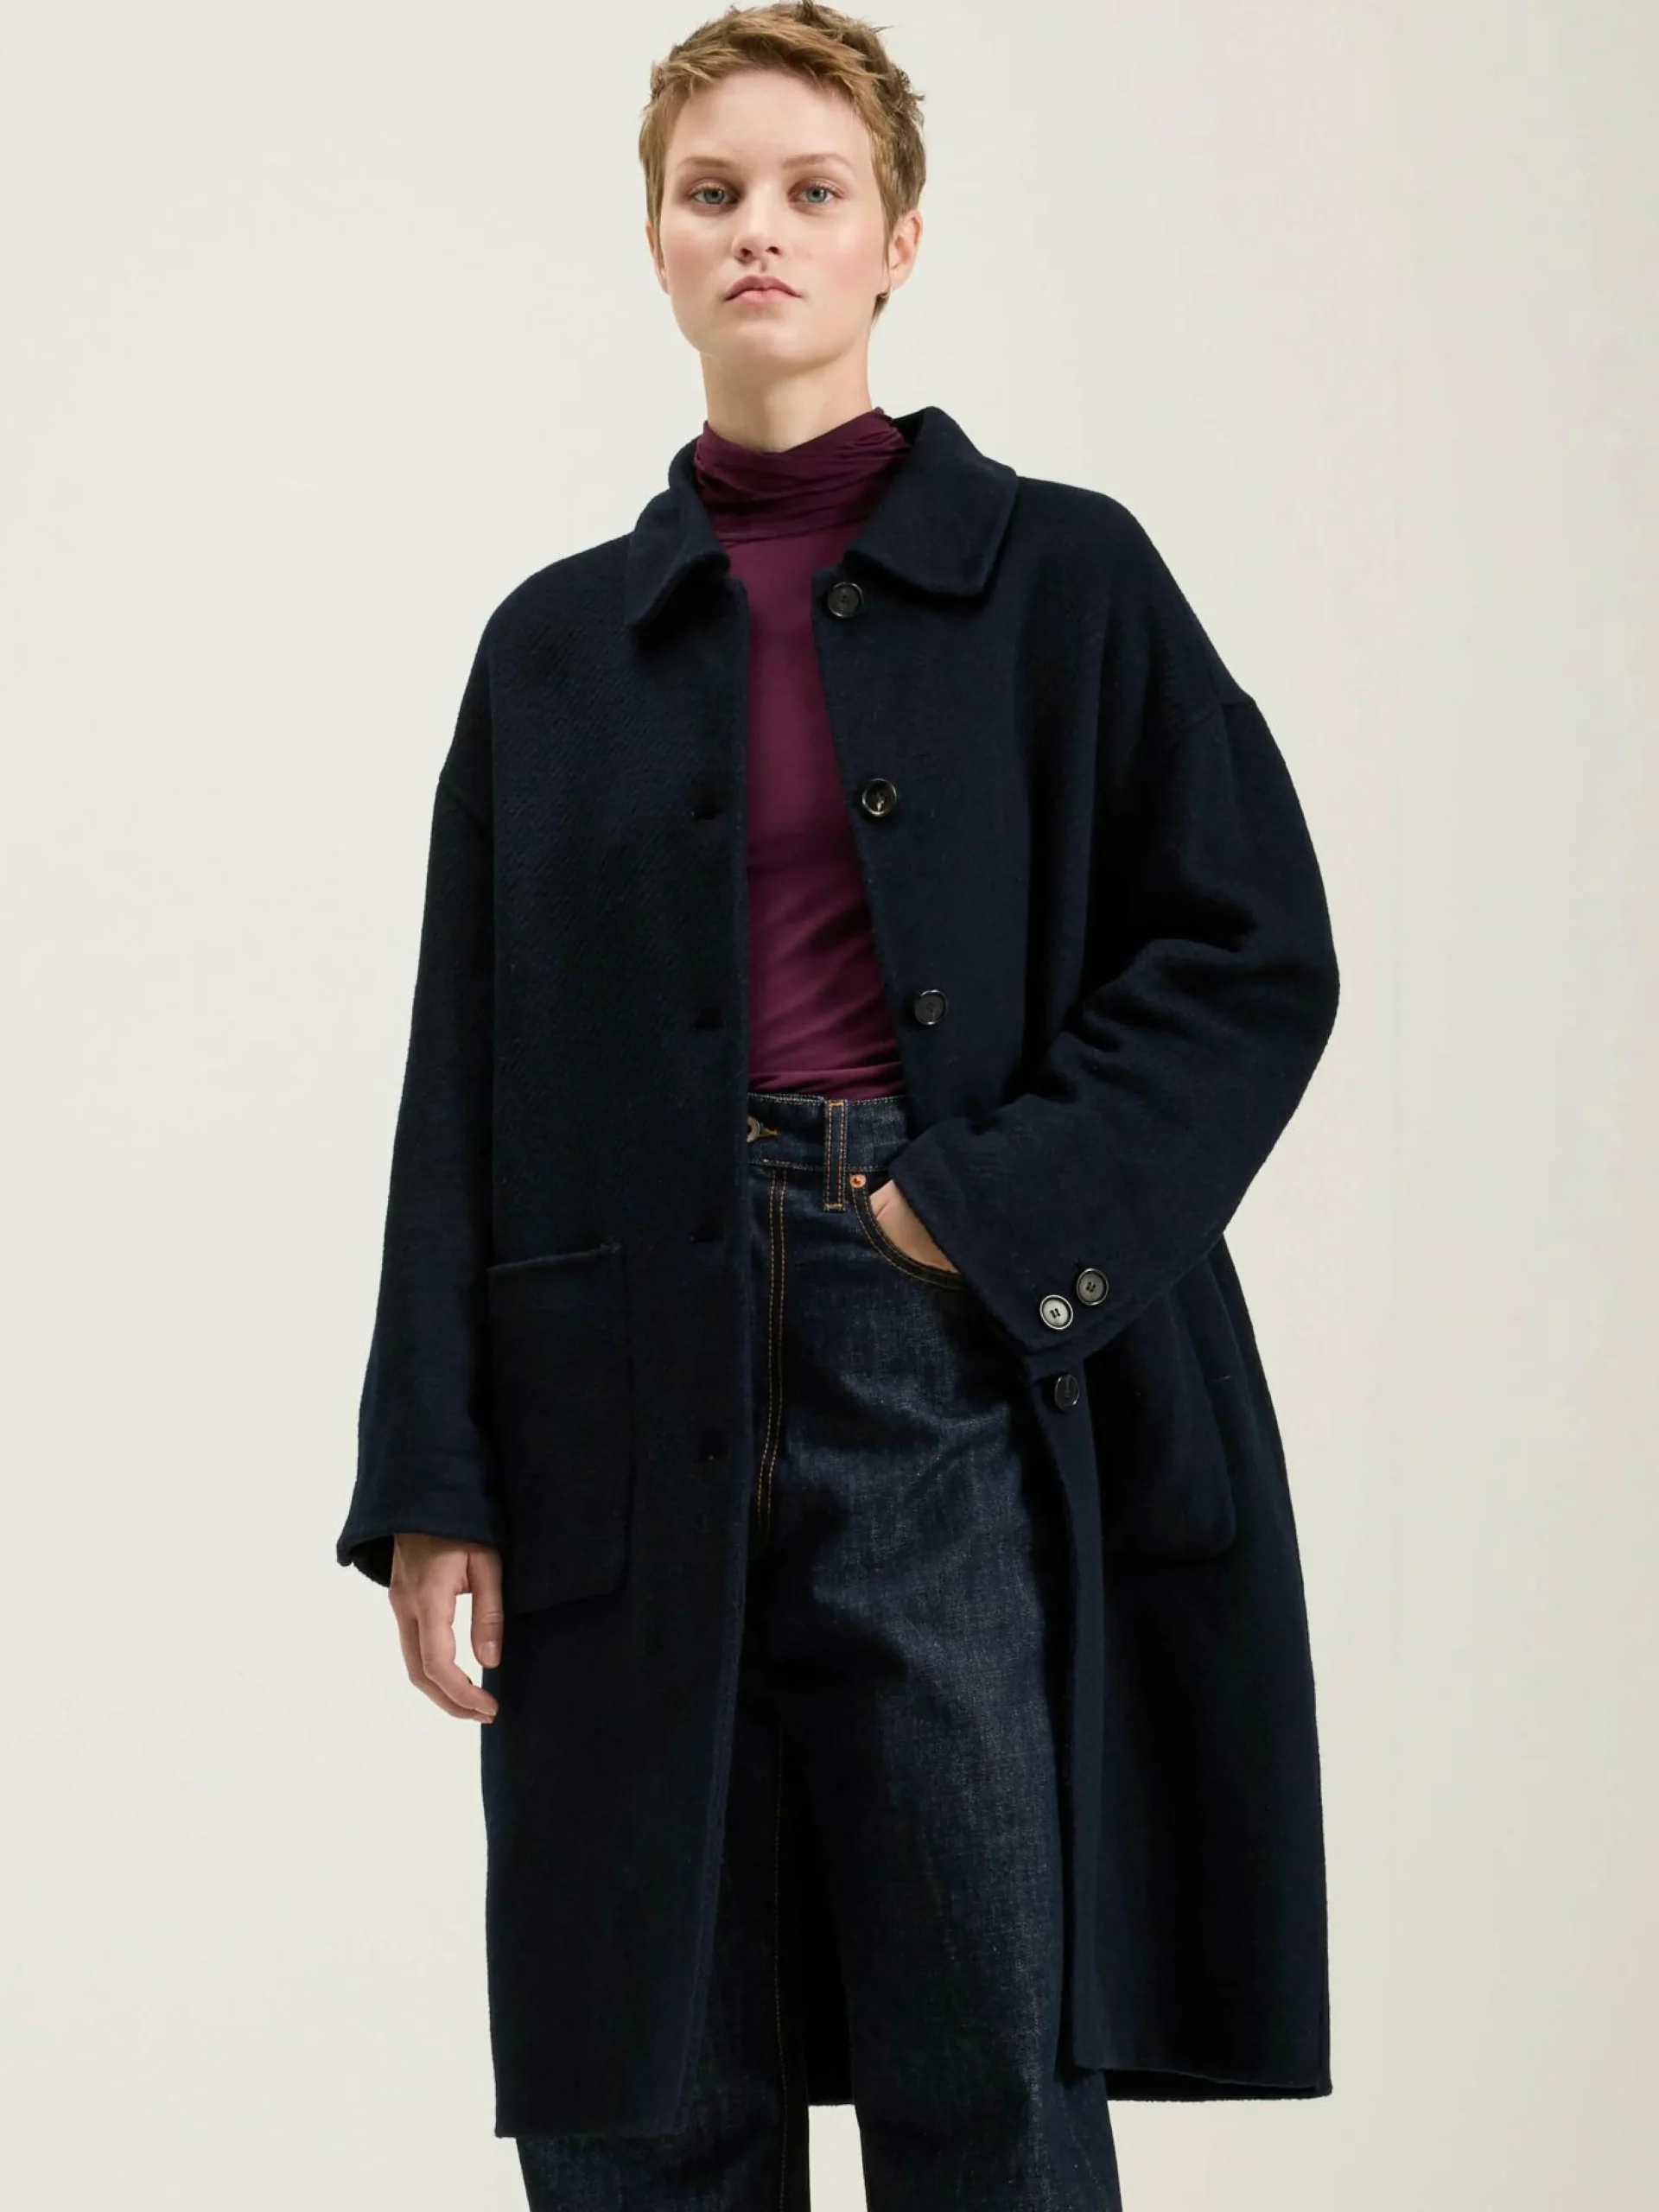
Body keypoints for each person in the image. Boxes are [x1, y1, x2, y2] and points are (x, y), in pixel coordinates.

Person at [334, 5, 1340, 2206]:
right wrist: (433, 1475)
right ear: (656, 243)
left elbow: (1252, 951)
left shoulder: (1066, 579)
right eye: (713, 194)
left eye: (813, 191)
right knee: (645, 2077)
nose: (759, 232)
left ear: (901, 240)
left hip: (943, 1363)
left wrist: (967, 1214)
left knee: (987, 2035)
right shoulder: (553, 653)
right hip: (618, 1390)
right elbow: (460, 1079)